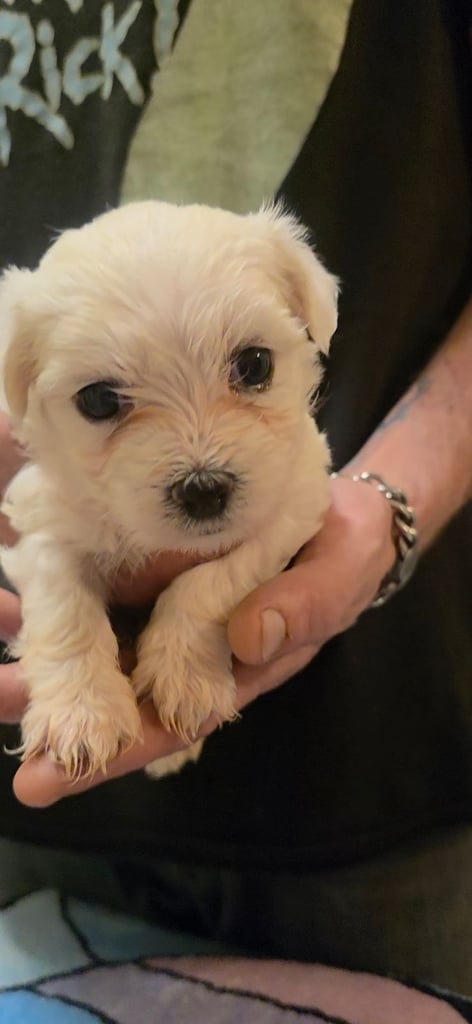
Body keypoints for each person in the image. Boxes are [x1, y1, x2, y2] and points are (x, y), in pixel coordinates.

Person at [1, 0, 472, 996]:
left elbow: (307, 509)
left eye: (250, 367)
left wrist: (194, 612)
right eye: (106, 400)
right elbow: (44, 548)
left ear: (308, 318)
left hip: (379, 771)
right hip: (45, 823)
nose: (201, 457)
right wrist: (75, 665)